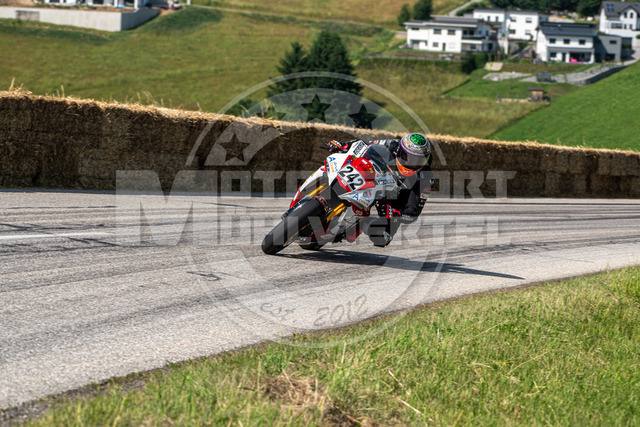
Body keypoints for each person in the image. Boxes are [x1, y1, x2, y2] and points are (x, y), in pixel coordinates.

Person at [326, 133, 434, 247]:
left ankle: (362, 223)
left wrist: (395, 213)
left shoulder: (426, 178)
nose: (410, 162)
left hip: (394, 200)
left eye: (418, 160)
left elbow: (413, 212)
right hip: (377, 178)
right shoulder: (393, 144)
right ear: (400, 150)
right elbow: (365, 144)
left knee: (382, 238)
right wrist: (344, 146)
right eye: (407, 157)